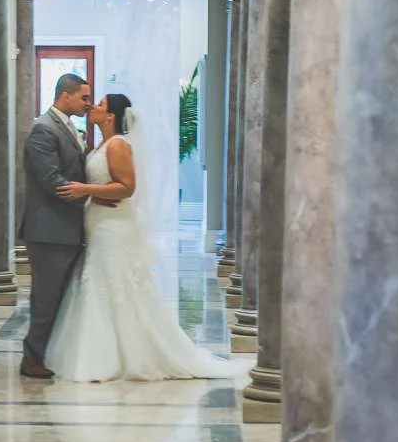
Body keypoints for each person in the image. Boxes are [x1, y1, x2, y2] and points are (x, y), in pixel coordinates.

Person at [44, 93, 246, 383]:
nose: (93, 107)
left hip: (114, 226)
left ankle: (130, 355)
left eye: (100, 104)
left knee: (116, 283)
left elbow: (127, 187)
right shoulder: (101, 144)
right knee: (99, 282)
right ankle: (102, 352)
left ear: (111, 116)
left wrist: (85, 190)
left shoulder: (118, 145)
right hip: (99, 223)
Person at [19, 72, 93, 379]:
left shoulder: (66, 126)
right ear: (65, 95)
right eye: (84, 97)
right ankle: (32, 358)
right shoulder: (44, 129)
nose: (88, 104)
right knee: (46, 298)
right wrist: (91, 196)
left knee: (59, 297)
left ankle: (45, 353)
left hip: (65, 228)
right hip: (49, 230)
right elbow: (51, 180)